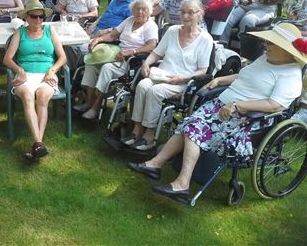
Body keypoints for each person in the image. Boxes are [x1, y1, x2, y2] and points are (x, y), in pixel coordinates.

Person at [128, 22, 305, 202]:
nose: (266, 45)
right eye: (267, 42)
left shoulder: (290, 75)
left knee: (193, 128)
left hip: (248, 118)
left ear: (287, 50)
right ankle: (155, 165)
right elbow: (244, 76)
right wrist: (220, 80)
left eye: (271, 43)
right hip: (223, 106)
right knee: (188, 124)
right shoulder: (265, 59)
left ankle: (182, 183)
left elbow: (275, 105)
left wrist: (239, 106)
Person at [124, 0, 214, 151]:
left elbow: (203, 70)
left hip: (182, 82)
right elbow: (156, 53)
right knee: (142, 85)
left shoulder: (205, 39)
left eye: (190, 13)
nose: (185, 16)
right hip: (162, 74)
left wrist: (182, 78)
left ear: (200, 14)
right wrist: (146, 63)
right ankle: (137, 129)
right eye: (183, 12)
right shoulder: (172, 31)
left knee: (155, 91)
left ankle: (149, 135)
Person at [3, 0, 67, 160]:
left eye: (41, 17)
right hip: (26, 74)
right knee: (28, 96)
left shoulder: (49, 31)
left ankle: (37, 145)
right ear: (26, 17)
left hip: (47, 74)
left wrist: (52, 70)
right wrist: (19, 70)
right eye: (34, 16)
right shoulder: (20, 33)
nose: (38, 20)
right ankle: (38, 143)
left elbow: (63, 57)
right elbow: (7, 59)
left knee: (43, 97)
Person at [75, 0, 158, 119]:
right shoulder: (129, 20)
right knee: (91, 63)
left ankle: (96, 107)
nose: (140, 12)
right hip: (116, 54)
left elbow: (152, 46)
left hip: (132, 61)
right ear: (133, 10)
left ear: (149, 11)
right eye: (137, 9)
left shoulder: (151, 26)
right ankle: (89, 101)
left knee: (106, 68)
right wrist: (98, 39)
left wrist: (132, 51)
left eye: (144, 9)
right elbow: (113, 35)